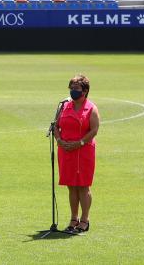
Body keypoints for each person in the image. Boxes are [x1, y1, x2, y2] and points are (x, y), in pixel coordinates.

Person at [55, 74, 100, 233]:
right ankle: (73, 219)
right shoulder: (64, 106)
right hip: (66, 150)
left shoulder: (91, 108)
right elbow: (56, 126)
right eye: (71, 88)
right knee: (71, 186)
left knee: (83, 186)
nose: (73, 91)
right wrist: (59, 140)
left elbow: (94, 130)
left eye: (77, 89)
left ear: (85, 91)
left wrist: (79, 143)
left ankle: (85, 220)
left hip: (83, 151)